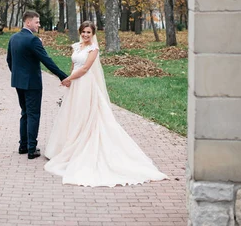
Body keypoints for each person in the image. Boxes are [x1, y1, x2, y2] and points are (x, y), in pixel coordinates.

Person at [44, 21, 167, 186]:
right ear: (80, 32)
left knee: (85, 114)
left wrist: (68, 78)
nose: (86, 35)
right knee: (72, 113)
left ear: (93, 34)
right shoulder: (76, 46)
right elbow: (74, 65)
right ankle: (67, 146)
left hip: (85, 83)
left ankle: (82, 146)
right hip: (75, 84)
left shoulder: (93, 49)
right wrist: (70, 80)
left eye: (89, 32)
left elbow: (86, 68)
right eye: (84, 32)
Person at [7, 11, 70, 159]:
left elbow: (9, 60)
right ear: (28, 23)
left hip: (18, 82)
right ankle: (31, 149)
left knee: (25, 113)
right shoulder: (33, 40)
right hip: (32, 83)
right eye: (37, 22)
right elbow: (47, 61)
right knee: (33, 114)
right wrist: (64, 77)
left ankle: (23, 146)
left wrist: (17, 75)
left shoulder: (13, 38)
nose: (39, 25)